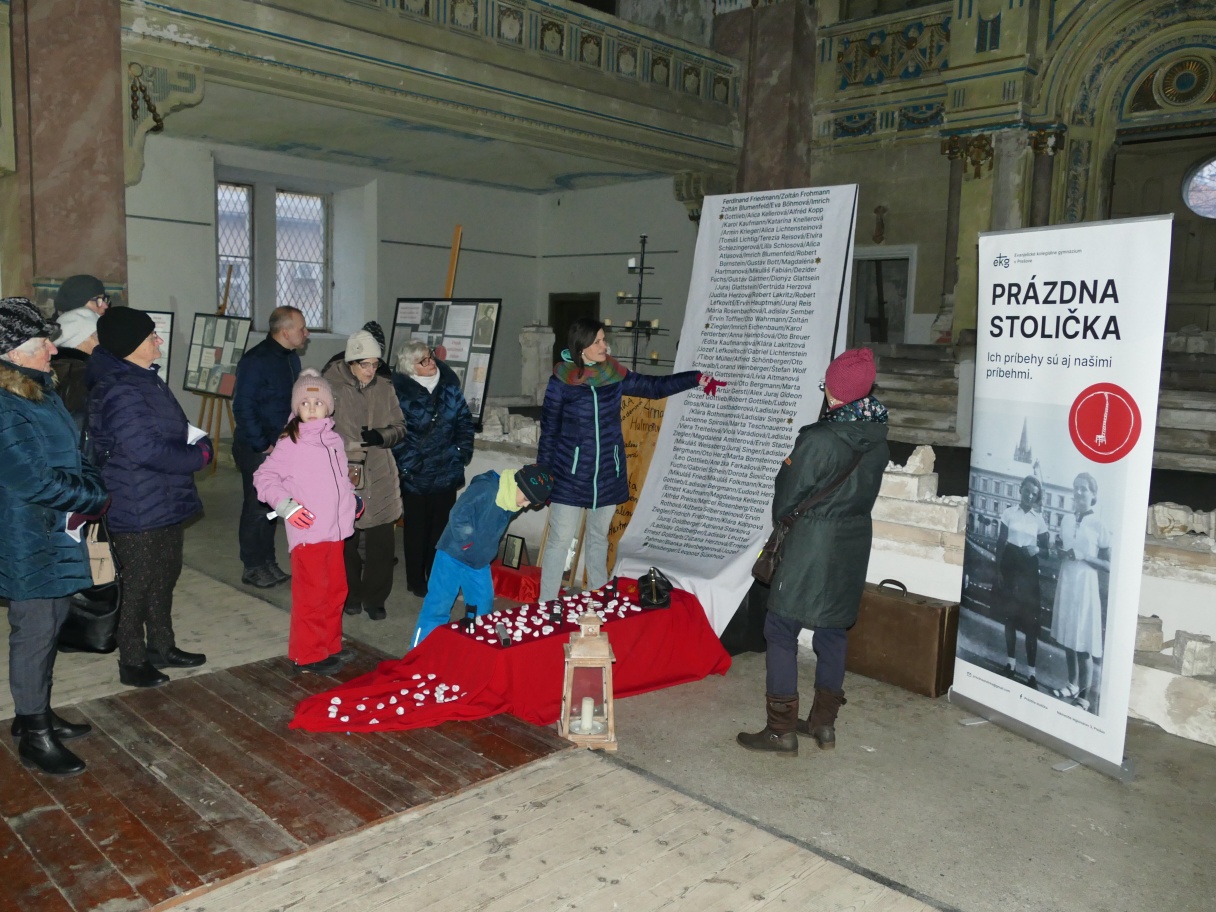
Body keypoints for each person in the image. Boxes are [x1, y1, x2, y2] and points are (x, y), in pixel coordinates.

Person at [737, 348, 889, 756]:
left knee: (780, 629)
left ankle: (780, 731)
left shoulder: (819, 439)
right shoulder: (878, 439)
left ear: (834, 391)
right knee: (833, 630)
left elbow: (787, 497)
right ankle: (823, 725)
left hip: (811, 544)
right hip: (852, 544)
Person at [537, 318, 723, 602]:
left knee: (599, 539)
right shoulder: (562, 381)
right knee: (559, 541)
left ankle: (596, 600)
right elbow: (549, 431)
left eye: (604, 339)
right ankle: (546, 603)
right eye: (598, 341)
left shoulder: (613, 374)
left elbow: (653, 387)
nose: (605, 346)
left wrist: (695, 378)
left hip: (607, 474)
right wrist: (544, 475)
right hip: (568, 475)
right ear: (581, 347)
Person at [0, 297, 110, 776]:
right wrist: (93, 495)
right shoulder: (6, 405)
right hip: (28, 536)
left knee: (54, 620)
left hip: (56, 530)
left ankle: (35, 714)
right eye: (40, 342)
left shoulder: (38, 389)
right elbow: (32, 479)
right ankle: (34, 734)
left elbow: (73, 452)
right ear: (12, 353)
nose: (51, 348)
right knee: (35, 631)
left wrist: (92, 483)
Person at [87, 307, 213, 688]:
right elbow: (145, 450)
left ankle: (161, 646)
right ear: (130, 345)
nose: (158, 340)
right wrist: (199, 456)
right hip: (137, 503)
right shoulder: (121, 389)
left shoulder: (144, 378)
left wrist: (193, 440)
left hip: (162, 498)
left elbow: (169, 430)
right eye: (150, 337)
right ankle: (132, 660)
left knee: (164, 575)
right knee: (138, 584)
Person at [254, 369, 362, 675]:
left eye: (318, 402)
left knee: (335, 591)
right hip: (309, 533)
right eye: (305, 403)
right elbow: (264, 477)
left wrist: (352, 500)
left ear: (329, 407)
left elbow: (340, 480)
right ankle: (308, 654)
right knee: (312, 596)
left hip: (336, 532)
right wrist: (286, 506)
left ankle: (329, 645)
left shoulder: (334, 440)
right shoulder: (291, 442)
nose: (312, 408)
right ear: (296, 408)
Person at [410, 464, 554, 648]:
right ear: (518, 484)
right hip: (452, 555)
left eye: (530, 503)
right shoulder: (486, 489)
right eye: (526, 499)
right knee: (438, 606)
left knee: (482, 607)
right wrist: (468, 544)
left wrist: (485, 551)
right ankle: (419, 651)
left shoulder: (511, 500)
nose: (525, 506)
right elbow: (458, 515)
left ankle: (473, 647)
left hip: (479, 562)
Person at [324, 329, 406, 620]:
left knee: (382, 542)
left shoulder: (385, 387)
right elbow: (316, 430)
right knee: (346, 541)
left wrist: (382, 436)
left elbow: (400, 427)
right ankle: (351, 594)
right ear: (351, 362)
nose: (371, 370)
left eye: (375, 364)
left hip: (380, 472)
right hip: (343, 472)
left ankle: (375, 598)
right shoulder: (329, 388)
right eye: (365, 364)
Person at [232, 306, 309, 588]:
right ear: (285, 332)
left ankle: (268, 562)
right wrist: (263, 444)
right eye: (302, 328)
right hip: (259, 449)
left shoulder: (291, 359)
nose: (306, 333)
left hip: (283, 448)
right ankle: (253, 566)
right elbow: (243, 407)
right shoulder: (256, 361)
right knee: (257, 507)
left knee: (275, 507)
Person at [391, 340, 475, 597]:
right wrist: (409, 465)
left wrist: (460, 453)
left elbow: (464, 423)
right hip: (416, 474)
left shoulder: (450, 388)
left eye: (430, 356)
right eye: (423, 361)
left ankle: (435, 575)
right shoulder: (399, 394)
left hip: (447, 469)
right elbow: (396, 433)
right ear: (410, 367)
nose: (431, 363)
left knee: (441, 529)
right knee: (417, 530)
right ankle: (416, 580)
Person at [1049, 472, 1111, 712]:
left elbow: (1108, 565)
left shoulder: (1099, 524)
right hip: (1067, 580)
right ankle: (1072, 685)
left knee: (1083, 641)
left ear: (1093, 494)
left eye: (1084, 488)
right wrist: (1060, 550)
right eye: (1076, 487)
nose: (1078, 492)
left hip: (1085, 585)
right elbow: (1064, 547)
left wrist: (1084, 556)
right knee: (1068, 636)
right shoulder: (1066, 520)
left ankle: (1085, 696)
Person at [995, 473, 1050, 689]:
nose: (1029, 496)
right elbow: (1000, 542)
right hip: (1009, 566)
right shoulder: (1008, 513)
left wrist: (1036, 549)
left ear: (1037, 497)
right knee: (1009, 619)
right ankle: (1011, 664)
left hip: (1028, 571)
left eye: (1033, 494)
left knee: (1030, 623)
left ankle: (1031, 675)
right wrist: (998, 570)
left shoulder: (1039, 520)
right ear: (1021, 490)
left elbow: (1047, 552)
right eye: (1026, 491)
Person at [48, 304, 99, 430]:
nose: (102, 341)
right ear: (82, 339)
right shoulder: (83, 374)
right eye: (97, 335)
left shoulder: (55, 368)